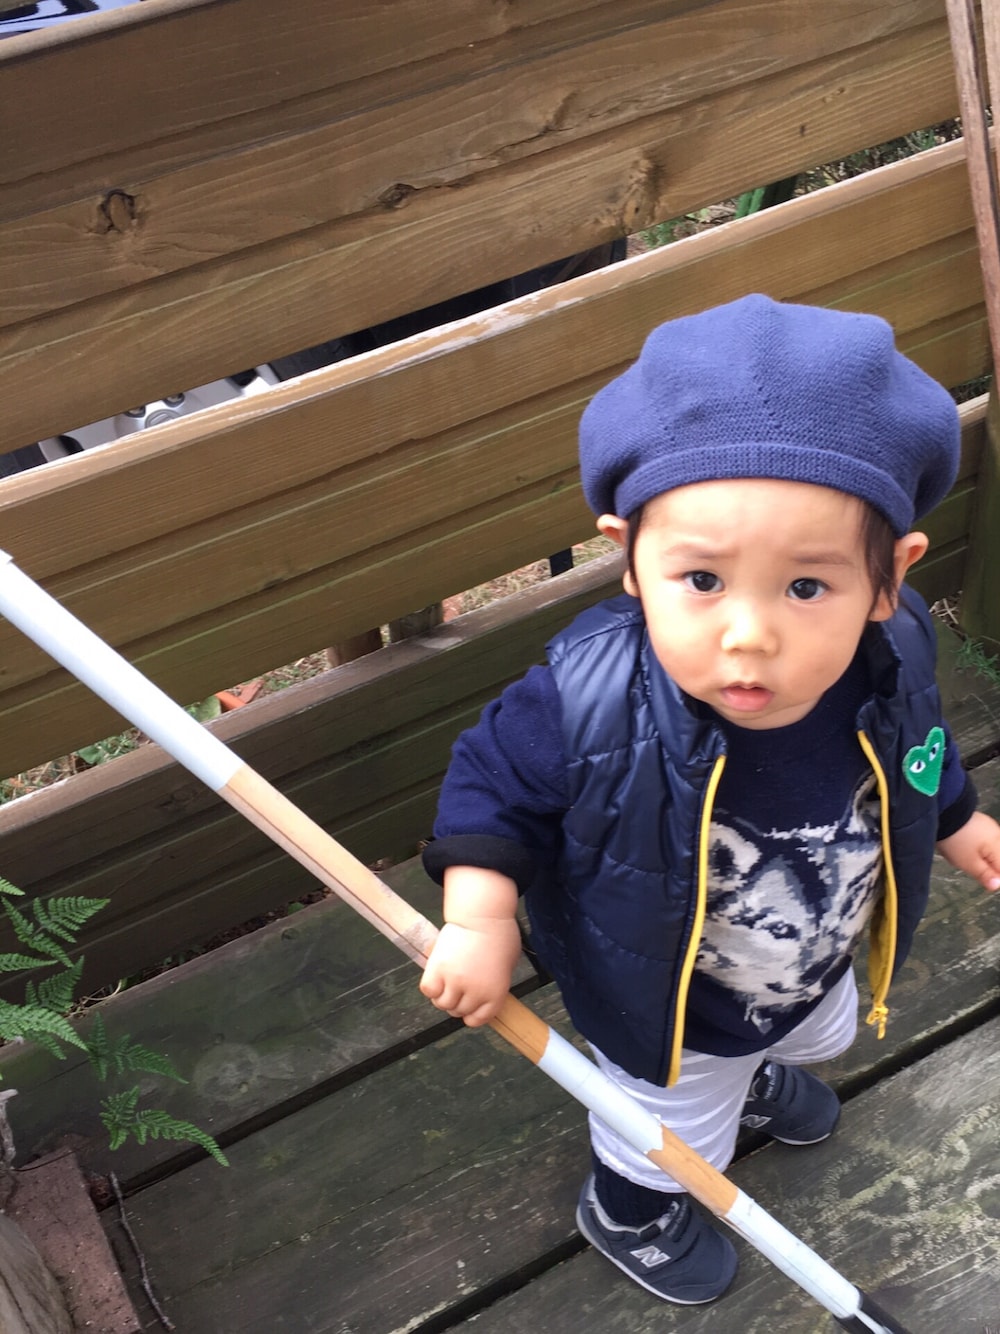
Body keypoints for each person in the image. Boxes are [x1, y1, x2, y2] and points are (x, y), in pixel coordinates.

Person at [418, 294, 1000, 1304]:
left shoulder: (893, 654)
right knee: (663, 1131)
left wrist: (955, 816)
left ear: (887, 580)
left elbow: (918, 745)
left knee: (813, 1030)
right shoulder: (586, 698)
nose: (748, 635)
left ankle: (758, 1074)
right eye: (700, 579)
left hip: (809, 954)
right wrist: (479, 921)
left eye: (805, 587)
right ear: (628, 556)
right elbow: (490, 792)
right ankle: (630, 1208)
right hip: (669, 1003)